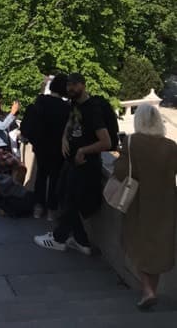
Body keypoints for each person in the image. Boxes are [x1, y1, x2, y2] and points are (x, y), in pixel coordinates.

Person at [34, 72, 111, 256]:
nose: (70, 88)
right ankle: (81, 241)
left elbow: (106, 142)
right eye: (69, 85)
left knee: (71, 202)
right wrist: (64, 139)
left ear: (83, 85)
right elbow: (71, 122)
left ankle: (59, 239)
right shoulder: (75, 105)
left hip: (86, 164)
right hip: (71, 163)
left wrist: (83, 150)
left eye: (74, 85)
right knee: (63, 195)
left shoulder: (92, 110)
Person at [112, 103, 177, 310]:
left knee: (136, 244)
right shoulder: (170, 146)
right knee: (157, 249)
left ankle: (147, 291)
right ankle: (151, 291)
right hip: (165, 203)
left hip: (138, 202)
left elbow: (121, 171)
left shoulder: (132, 142)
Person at [20, 73, 70, 220]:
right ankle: (51, 210)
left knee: (41, 176)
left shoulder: (40, 101)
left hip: (41, 146)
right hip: (56, 148)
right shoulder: (65, 108)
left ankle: (38, 206)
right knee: (55, 178)